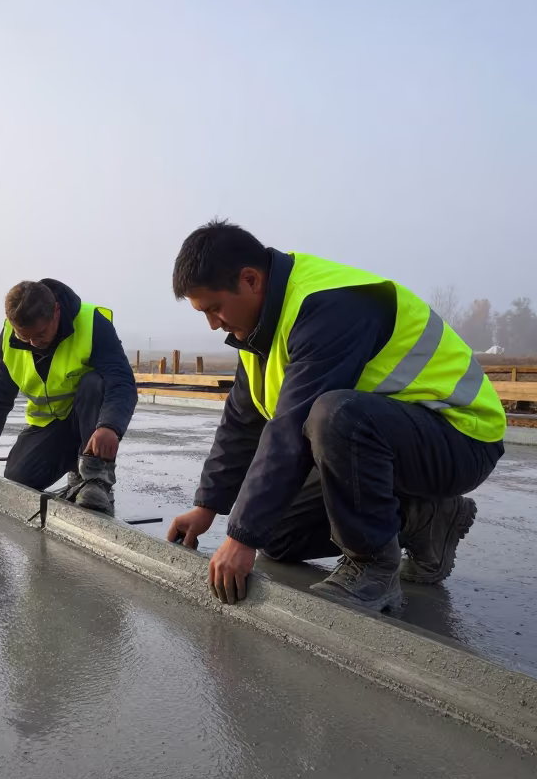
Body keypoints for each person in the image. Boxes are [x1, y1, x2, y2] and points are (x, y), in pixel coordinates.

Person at [166, 220, 506, 610]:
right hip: (397, 439)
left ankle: (373, 567)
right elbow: (242, 425)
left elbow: (291, 426)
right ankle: (422, 517)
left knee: (334, 414)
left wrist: (240, 538)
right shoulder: (257, 333)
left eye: (214, 308)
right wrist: (208, 507)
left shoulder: (329, 305)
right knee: (274, 533)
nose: (212, 324)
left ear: (250, 279)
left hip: (460, 438)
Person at [0, 279, 138, 515]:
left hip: (88, 423)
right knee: (17, 479)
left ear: (56, 311)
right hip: (50, 427)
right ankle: (76, 477)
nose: (34, 343)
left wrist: (110, 427)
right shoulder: (8, 338)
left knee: (94, 383)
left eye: (41, 333)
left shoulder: (92, 324)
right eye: (25, 337)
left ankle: (96, 481)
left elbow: (121, 380)